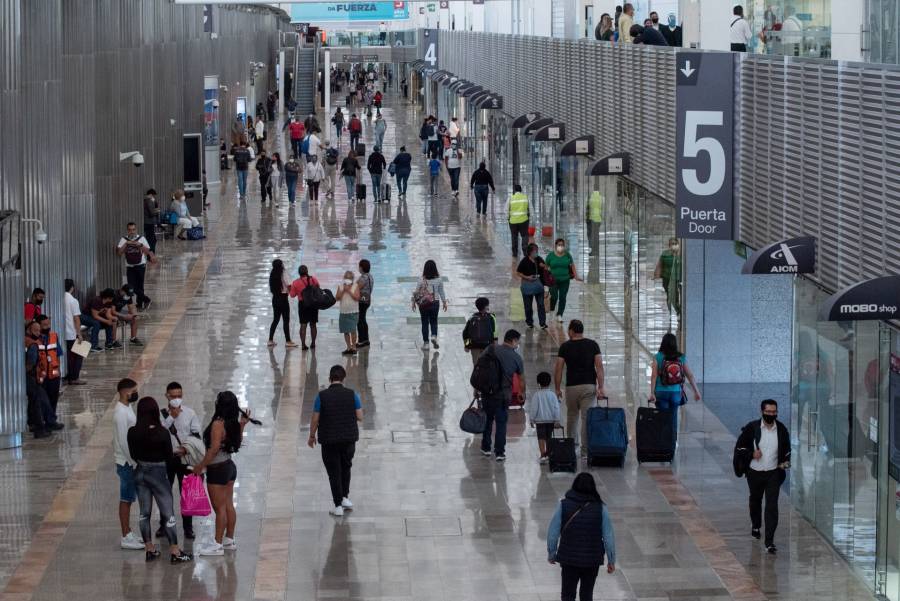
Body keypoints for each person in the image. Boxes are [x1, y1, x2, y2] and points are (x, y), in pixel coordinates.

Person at [127, 397, 193, 563]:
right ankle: (175, 551)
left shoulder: (132, 432)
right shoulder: (162, 433)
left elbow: (133, 455)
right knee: (168, 512)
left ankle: (150, 549)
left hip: (140, 472)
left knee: (144, 513)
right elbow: (169, 458)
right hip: (158, 473)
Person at [193, 391, 251, 556]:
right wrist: (242, 424)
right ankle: (229, 540)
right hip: (229, 466)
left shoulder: (218, 423)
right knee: (228, 505)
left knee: (219, 509)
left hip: (217, 469)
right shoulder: (233, 422)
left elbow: (214, 448)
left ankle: (217, 544)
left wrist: (201, 465)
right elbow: (237, 441)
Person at [547, 473, 617, 601]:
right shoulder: (601, 508)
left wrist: (552, 553)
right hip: (592, 560)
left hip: (569, 559)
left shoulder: (563, 505)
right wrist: (611, 560)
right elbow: (608, 537)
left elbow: (553, 533)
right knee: (586, 595)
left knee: (567, 595)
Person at [735, 400, 790, 554]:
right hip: (755, 472)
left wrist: (785, 463)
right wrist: (751, 454)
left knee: (772, 505)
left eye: (774, 412)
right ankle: (756, 525)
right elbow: (740, 447)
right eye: (769, 412)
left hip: (773, 473)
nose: (772, 415)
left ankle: (770, 541)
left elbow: (787, 450)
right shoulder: (751, 428)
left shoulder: (781, 430)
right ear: (762, 412)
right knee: (756, 500)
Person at [307, 365, 363, 516]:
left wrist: (312, 436)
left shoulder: (321, 396)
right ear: (343, 379)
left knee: (334, 472)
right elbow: (360, 417)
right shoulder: (353, 395)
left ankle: (337, 505)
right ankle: (344, 497)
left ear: (330, 378)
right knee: (346, 468)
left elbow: (315, 419)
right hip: (349, 439)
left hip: (329, 440)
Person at [554, 320, 606, 458]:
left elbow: (558, 369)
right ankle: (585, 451)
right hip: (589, 386)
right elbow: (599, 367)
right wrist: (601, 387)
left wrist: (557, 388)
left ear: (571, 331)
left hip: (571, 387)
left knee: (572, 417)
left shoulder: (565, 347)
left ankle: (571, 448)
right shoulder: (593, 345)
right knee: (586, 418)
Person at [160, 383, 201, 540]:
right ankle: (164, 525)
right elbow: (160, 432)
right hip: (168, 459)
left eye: (179, 396)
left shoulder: (190, 413)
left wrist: (187, 448)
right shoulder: (162, 415)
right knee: (164, 493)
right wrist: (172, 417)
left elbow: (196, 433)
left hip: (185, 458)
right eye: (173, 396)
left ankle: (188, 528)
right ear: (167, 396)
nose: (177, 399)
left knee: (187, 494)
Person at [479, 329, 524, 461]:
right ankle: (499, 452)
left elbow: (480, 367)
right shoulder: (516, 357)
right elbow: (522, 379)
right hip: (503, 395)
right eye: (518, 342)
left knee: (487, 420)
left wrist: (477, 388)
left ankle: (486, 447)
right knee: (501, 423)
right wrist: (521, 393)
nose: (518, 345)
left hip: (487, 392)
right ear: (513, 340)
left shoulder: (490, 349)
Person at [113, 378, 147, 550]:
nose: (136, 393)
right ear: (126, 393)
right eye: (134, 390)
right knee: (126, 498)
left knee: (129, 498)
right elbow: (123, 441)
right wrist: (133, 461)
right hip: (126, 462)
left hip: (130, 461)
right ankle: (125, 535)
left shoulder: (128, 408)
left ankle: (129, 532)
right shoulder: (120, 413)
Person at [648, 332, 701, 441]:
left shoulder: (657, 357)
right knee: (673, 418)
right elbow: (690, 375)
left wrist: (652, 393)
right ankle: (672, 442)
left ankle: (663, 443)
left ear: (662, 343)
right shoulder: (680, 357)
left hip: (661, 392)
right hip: (676, 393)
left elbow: (653, 376)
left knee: (662, 418)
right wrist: (696, 391)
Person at [25, 320, 62, 438]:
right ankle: (40, 428)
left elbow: (57, 355)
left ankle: (42, 424)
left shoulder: (27, 341)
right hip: (32, 378)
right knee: (39, 402)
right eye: (35, 330)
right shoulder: (32, 344)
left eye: (38, 330)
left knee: (40, 401)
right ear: (28, 330)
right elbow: (30, 363)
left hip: (44, 375)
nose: (37, 332)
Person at [116, 222, 157, 309]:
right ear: (127, 230)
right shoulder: (124, 239)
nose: (132, 231)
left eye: (133, 229)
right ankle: (146, 299)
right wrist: (126, 244)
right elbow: (119, 253)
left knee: (140, 286)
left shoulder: (141, 238)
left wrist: (140, 245)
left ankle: (140, 304)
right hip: (130, 266)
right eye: (130, 230)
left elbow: (147, 251)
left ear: (136, 230)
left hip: (140, 265)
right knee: (131, 287)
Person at [411, 260, 448, 350]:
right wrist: (444, 302)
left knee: (424, 323)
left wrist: (413, 303)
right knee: (434, 321)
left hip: (423, 304)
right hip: (435, 303)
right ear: (435, 269)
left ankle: (426, 344)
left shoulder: (421, 280)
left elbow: (416, 292)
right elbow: (441, 292)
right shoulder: (439, 280)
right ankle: (434, 336)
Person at [526, 372, 561, 463]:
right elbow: (556, 408)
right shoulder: (553, 395)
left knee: (541, 438)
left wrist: (531, 419)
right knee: (548, 437)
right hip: (550, 421)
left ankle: (542, 455)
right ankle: (549, 454)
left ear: (538, 383)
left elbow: (534, 408)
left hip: (540, 421)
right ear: (550, 383)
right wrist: (557, 419)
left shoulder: (537, 395)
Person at [545, 239, 580, 322]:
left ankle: (560, 314)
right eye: (559, 245)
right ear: (555, 246)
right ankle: (552, 311)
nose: (561, 247)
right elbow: (545, 268)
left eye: (562, 245)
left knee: (562, 297)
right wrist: (545, 281)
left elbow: (572, 265)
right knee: (554, 297)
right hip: (553, 280)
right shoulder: (550, 256)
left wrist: (576, 276)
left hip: (565, 280)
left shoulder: (567, 255)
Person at [268, 259, 297, 348]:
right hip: (283, 299)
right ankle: (288, 341)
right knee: (286, 320)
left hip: (275, 299)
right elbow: (289, 285)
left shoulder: (272, 274)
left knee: (275, 319)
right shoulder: (283, 273)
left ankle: (270, 340)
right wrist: (290, 292)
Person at [517, 243, 547, 329]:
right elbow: (518, 272)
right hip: (527, 286)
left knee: (541, 304)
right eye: (535, 251)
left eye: (537, 251)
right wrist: (527, 277)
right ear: (530, 252)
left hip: (538, 285)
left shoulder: (539, 259)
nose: (536, 252)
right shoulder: (524, 261)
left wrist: (543, 266)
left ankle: (542, 323)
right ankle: (529, 322)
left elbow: (546, 268)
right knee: (528, 306)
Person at [289, 265, 320, 350]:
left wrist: (289, 289)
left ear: (299, 273)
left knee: (303, 325)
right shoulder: (313, 279)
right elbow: (318, 288)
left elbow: (292, 295)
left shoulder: (295, 283)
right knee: (313, 324)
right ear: (307, 271)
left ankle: (303, 345)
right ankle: (313, 343)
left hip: (303, 305)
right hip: (313, 304)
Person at [62, 279, 86, 385]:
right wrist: (79, 334)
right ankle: (74, 377)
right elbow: (76, 319)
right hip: (71, 333)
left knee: (67, 356)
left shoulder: (59, 298)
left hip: (61, 333)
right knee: (79, 353)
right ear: (72, 287)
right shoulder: (73, 301)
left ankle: (67, 375)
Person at [462, 296, 497, 367]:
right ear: (486, 307)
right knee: (488, 366)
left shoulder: (472, 318)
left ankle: (477, 377)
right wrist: (495, 344)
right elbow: (495, 332)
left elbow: (465, 333)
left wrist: (467, 345)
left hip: (475, 346)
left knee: (477, 366)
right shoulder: (491, 317)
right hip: (487, 346)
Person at [654, 237, 682, 315]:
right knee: (669, 294)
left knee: (676, 294)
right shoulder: (665, 254)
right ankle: (672, 310)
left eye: (675, 244)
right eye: (672, 244)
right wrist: (656, 274)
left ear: (678, 245)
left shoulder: (681, 254)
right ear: (669, 245)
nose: (674, 245)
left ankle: (677, 309)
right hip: (667, 278)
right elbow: (660, 265)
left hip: (677, 278)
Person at [336, 270, 361, 355]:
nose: (347, 279)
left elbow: (357, 298)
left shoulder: (355, 286)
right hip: (343, 312)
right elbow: (337, 298)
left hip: (353, 312)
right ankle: (348, 347)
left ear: (352, 279)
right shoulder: (340, 286)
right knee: (346, 331)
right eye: (346, 277)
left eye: (349, 278)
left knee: (353, 330)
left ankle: (354, 347)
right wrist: (343, 290)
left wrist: (349, 291)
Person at [508, 184, 530, 257]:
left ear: (514, 191)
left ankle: (515, 253)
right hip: (523, 221)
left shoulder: (511, 198)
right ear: (521, 190)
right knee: (524, 236)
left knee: (514, 237)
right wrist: (531, 219)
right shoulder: (525, 197)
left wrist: (508, 218)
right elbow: (531, 210)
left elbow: (506, 210)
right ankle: (525, 250)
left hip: (513, 222)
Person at [356, 259, 373, 348]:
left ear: (362, 267)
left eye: (359, 266)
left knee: (360, 320)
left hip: (362, 300)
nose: (358, 268)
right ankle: (366, 339)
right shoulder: (370, 276)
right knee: (363, 319)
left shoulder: (363, 277)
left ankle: (361, 340)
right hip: (367, 300)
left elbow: (357, 287)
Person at [142, 188, 160, 254]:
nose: (154, 197)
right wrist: (157, 210)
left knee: (151, 239)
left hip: (146, 222)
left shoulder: (145, 200)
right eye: (154, 196)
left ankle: (151, 254)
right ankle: (151, 254)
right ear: (151, 194)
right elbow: (151, 213)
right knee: (152, 240)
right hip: (149, 223)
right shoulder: (149, 201)